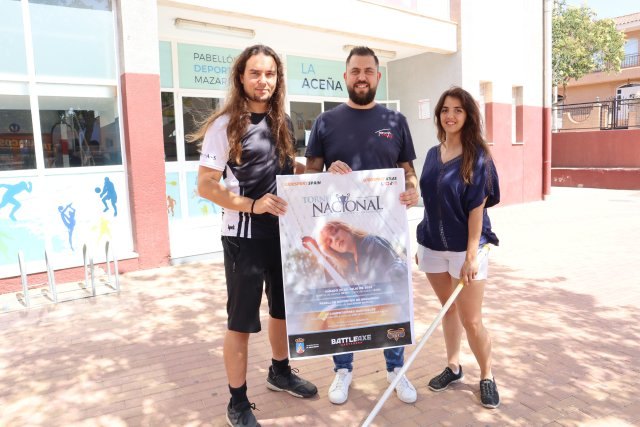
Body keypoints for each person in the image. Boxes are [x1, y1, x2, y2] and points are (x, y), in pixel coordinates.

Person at [195, 44, 317, 427]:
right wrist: (251, 205)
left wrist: (321, 171)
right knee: (242, 321)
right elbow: (205, 185)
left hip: (283, 233)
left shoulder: (283, 122)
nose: (263, 81)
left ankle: (280, 372)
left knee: (282, 309)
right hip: (243, 237)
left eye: (270, 74)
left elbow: (282, 168)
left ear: (278, 79)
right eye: (255, 73)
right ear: (241, 77)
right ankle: (237, 401)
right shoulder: (225, 125)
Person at [305, 46, 419, 405]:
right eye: (355, 71)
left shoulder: (395, 121)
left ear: (378, 77)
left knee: (391, 299)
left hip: (383, 230)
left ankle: (395, 368)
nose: (361, 77)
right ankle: (343, 370)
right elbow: (309, 176)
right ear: (345, 77)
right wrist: (325, 175)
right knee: (344, 305)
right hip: (342, 229)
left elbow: (408, 172)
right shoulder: (325, 122)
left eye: (368, 71)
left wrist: (413, 188)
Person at [416, 86, 501, 409]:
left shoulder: (477, 157)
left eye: (458, 110)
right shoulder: (432, 154)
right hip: (432, 246)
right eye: (445, 110)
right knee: (446, 310)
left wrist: (470, 256)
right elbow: (429, 203)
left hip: (466, 251)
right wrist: (421, 241)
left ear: (468, 116)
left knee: (472, 320)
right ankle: (453, 367)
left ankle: (487, 375)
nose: (450, 116)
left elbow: (476, 210)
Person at [318, 220, 407, 286]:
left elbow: (392, 277)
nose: (335, 239)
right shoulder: (349, 265)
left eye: (335, 231)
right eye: (329, 241)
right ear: (331, 249)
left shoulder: (370, 243)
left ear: (345, 228)